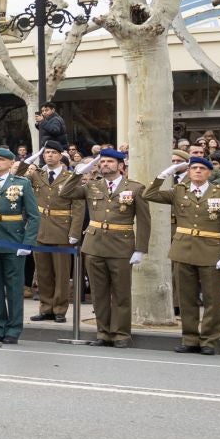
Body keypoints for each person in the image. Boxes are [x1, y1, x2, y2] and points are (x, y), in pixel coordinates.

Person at [145, 156, 220, 354]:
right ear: (189, 172)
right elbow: (150, 194)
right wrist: (165, 174)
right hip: (183, 250)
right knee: (186, 298)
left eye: (202, 168)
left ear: (209, 173)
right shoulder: (179, 191)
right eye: (194, 168)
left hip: (211, 252)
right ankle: (190, 338)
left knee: (211, 300)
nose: (198, 171)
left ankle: (209, 340)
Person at [66, 147, 149, 348]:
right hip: (94, 246)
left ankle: (121, 334)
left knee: (121, 293)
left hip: (121, 246)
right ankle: (103, 333)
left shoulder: (136, 188)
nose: (105, 165)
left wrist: (140, 249)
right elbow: (65, 192)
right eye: (102, 162)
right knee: (98, 292)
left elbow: (145, 221)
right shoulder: (92, 186)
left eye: (110, 162)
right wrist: (78, 172)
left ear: (121, 166)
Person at [0, 147, 39, 344]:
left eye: (0, 160)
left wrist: (28, 242)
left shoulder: (21, 183)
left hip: (13, 241)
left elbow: (33, 216)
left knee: (14, 288)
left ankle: (13, 329)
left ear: (10, 162)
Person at [25, 140, 84, 321]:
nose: (48, 155)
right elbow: (17, 179)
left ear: (60, 156)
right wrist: (28, 163)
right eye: (46, 153)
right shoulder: (37, 175)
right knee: (43, 272)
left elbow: (78, 207)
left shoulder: (70, 177)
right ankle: (45, 307)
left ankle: (59, 309)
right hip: (40, 228)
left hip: (62, 228)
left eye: (52, 152)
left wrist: (74, 232)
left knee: (61, 273)